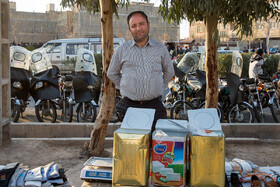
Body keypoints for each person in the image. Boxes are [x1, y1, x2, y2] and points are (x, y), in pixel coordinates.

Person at [107, 11, 174, 131]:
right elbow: (112, 73)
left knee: (158, 144)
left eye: (141, 24)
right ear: (129, 29)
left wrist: (160, 85)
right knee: (133, 145)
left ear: (148, 24)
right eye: (134, 26)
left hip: (155, 106)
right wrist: (124, 86)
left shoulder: (160, 49)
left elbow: (169, 71)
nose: (138, 28)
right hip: (130, 107)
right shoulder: (122, 50)